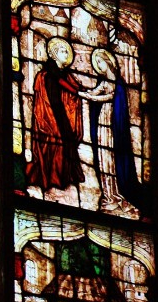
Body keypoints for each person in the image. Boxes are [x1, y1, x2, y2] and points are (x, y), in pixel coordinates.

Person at [79, 48, 144, 215]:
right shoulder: (103, 81)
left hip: (113, 123)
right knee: (103, 156)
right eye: (97, 63)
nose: (98, 66)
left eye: (100, 62)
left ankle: (117, 194)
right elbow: (95, 92)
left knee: (112, 157)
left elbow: (109, 97)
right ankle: (108, 195)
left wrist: (92, 97)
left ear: (108, 62)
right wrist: (83, 93)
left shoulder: (117, 82)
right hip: (102, 122)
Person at [27, 37, 85, 193]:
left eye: (67, 51)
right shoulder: (46, 74)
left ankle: (64, 178)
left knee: (66, 143)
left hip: (61, 114)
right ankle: (51, 179)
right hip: (49, 114)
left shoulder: (66, 75)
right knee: (54, 142)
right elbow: (42, 99)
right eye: (62, 50)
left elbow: (73, 91)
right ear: (53, 54)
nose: (66, 53)